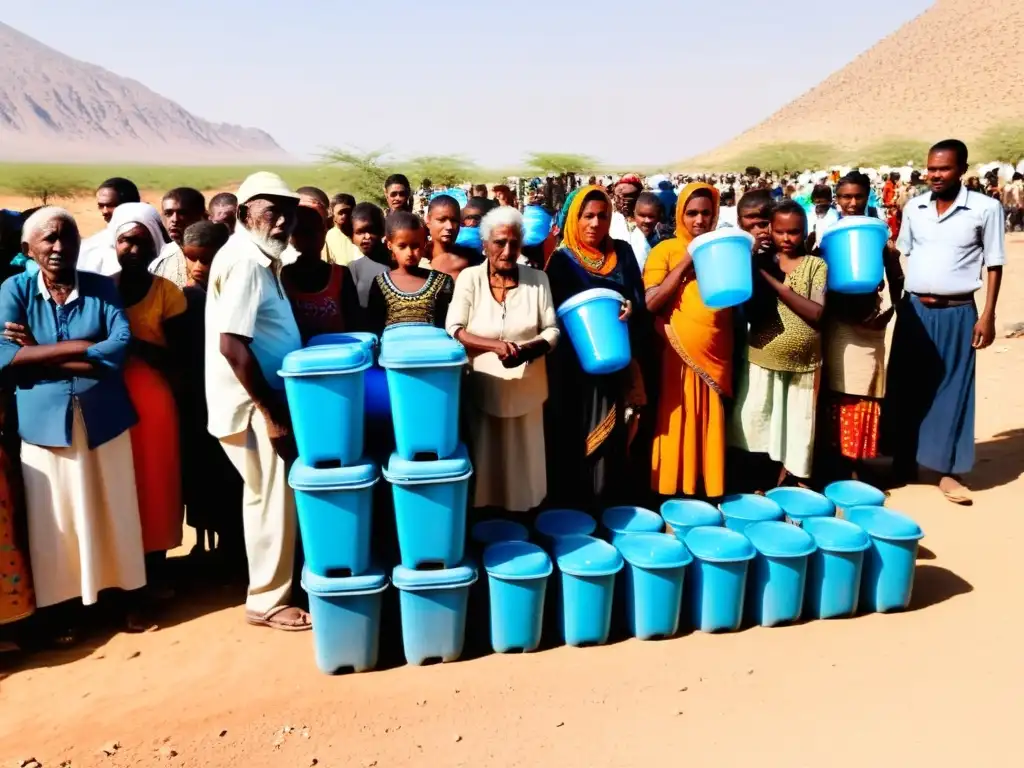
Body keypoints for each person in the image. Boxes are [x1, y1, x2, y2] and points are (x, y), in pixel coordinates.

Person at [0, 207, 145, 642]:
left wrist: (41, 350)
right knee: (56, 517)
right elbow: (5, 358)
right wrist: (82, 346)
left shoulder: (101, 287)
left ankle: (125, 599)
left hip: (104, 418)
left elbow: (119, 346)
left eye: (69, 237)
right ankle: (63, 609)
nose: (60, 246)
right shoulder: (16, 289)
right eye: (49, 239)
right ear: (29, 249)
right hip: (44, 424)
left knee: (113, 509)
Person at [205, 172, 308, 631]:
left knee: (273, 496)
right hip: (253, 407)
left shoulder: (263, 258)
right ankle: (267, 599)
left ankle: (278, 585)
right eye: (271, 212)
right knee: (269, 500)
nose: (282, 221)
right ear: (247, 215)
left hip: (262, 401)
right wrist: (271, 413)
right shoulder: (246, 262)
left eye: (287, 212)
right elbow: (232, 345)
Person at [885, 140, 1005, 504]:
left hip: (958, 313)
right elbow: (899, 252)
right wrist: (896, 300)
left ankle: (947, 471)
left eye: (944, 169)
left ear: (962, 169)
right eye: (931, 169)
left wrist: (987, 315)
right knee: (905, 386)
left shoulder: (986, 209)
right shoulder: (915, 207)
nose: (935, 176)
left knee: (953, 389)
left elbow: (995, 263)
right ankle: (902, 464)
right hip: (915, 311)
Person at [446, 207, 559, 513]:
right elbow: (454, 328)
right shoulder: (470, 278)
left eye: (513, 243)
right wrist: (494, 346)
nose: (507, 251)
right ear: (485, 244)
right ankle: (488, 521)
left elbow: (552, 329)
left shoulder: (538, 279)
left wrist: (529, 350)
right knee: (487, 462)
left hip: (528, 387)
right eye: (499, 242)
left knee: (524, 464)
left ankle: (525, 520)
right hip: (483, 387)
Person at [544, 186, 649, 509]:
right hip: (575, 369)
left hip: (616, 361)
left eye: (602, 216)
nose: (595, 223)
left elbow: (639, 298)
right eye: (587, 216)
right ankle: (576, 508)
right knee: (575, 434)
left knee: (617, 435)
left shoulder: (623, 253)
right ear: (573, 219)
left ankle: (609, 506)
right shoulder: (561, 262)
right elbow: (552, 314)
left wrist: (632, 309)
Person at [111, 203, 188, 594]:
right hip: (110, 403)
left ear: (155, 244)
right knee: (119, 483)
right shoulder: (102, 288)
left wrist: (129, 344)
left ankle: (155, 573)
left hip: (155, 402)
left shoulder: (168, 293)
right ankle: (122, 571)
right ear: (115, 244)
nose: (133, 249)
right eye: (126, 240)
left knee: (155, 482)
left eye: (141, 242)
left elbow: (179, 355)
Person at [644, 183, 732, 499]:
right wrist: (687, 262)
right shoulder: (664, 251)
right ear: (680, 214)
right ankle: (670, 488)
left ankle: (708, 488)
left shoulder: (723, 249)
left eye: (706, 213)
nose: (699, 220)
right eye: (691, 213)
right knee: (678, 415)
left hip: (716, 348)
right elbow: (652, 303)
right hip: (675, 352)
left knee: (708, 417)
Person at [731, 200, 828, 487]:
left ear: (805, 232)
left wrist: (774, 283)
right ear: (770, 230)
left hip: (803, 365)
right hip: (762, 358)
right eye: (780, 231)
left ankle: (790, 482)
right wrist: (752, 259)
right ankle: (758, 481)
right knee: (757, 422)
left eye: (795, 232)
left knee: (796, 427)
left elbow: (817, 312)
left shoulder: (814, 265)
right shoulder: (760, 262)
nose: (787, 239)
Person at [819, 172, 903, 479]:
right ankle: (838, 459)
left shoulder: (877, 234)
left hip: (870, 322)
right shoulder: (829, 234)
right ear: (836, 199)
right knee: (839, 388)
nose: (852, 203)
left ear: (868, 197)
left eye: (858, 196)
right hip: (838, 320)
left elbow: (895, 277)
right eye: (845, 197)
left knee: (865, 388)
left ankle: (858, 458)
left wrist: (892, 308)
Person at [179, 222, 243, 565]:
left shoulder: (231, 294)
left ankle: (230, 545)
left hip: (224, 395)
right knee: (201, 476)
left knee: (226, 476)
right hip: (194, 400)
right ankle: (207, 544)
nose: (198, 267)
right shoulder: (186, 299)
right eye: (191, 259)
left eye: (206, 259)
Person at [366, 212, 454, 333]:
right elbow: (375, 326)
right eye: (402, 246)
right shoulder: (380, 283)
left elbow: (446, 325)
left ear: (424, 244)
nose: (409, 253)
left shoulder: (442, 282)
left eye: (415, 246)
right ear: (390, 245)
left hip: (433, 349)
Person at [282, 202, 359, 341]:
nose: (309, 239)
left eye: (313, 231)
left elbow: (354, 322)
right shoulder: (285, 276)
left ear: (324, 231)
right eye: (301, 232)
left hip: (341, 351)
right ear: (291, 237)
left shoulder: (341, 275)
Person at [78, 178, 142, 275]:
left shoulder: (156, 244)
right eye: (101, 206)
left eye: (111, 205)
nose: (105, 211)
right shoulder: (89, 248)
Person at [154, 188, 207, 288]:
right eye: (168, 214)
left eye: (182, 213)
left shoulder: (217, 256)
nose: (174, 220)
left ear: (202, 216)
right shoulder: (163, 258)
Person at [423, 195, 479, 280]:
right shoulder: (418, 258)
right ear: (428, 221)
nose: (449, 226)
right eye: (442, 220)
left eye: (454, 220)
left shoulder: (472, 259)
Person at [347, 203, 390, 311]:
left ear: (381, 231)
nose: (367, 237)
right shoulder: (353, 268)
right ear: (352, 236)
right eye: (360, 232)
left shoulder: (396, 262)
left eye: (372, 230)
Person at [324, 193, 360, 266]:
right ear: (332, 211)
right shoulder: (328, 237)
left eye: (348, 212)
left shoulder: (362, 233)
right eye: (341, 212)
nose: (344, 216)